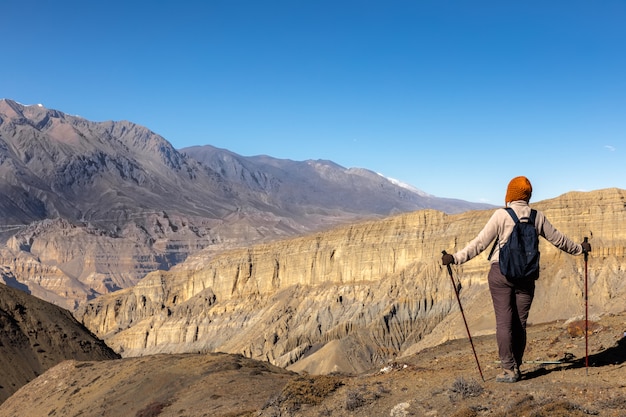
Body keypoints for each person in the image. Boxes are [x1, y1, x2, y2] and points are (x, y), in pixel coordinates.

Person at [441, 176, 591, 383]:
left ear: (509, 195)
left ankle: (508, 370)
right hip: (526, 277)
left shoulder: (501, 215)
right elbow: (559, 240)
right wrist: (580, 249)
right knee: (520, 323)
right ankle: (517, 365)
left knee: (504, 323)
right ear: (528, 196)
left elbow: (479, 244)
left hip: (500, 274)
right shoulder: (537, 217)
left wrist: (455, 258)